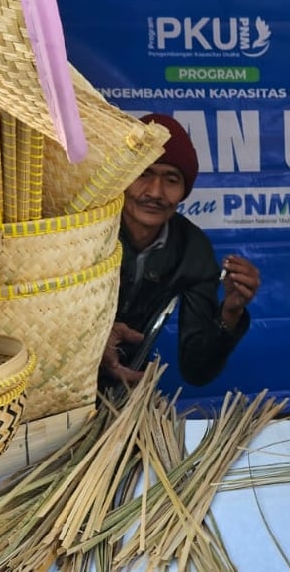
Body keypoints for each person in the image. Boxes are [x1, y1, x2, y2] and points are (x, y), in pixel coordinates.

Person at [100, 113, 261, 387]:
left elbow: (196, 370)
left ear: (184, 190)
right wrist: (95, 341)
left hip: (124, 390)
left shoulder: (193, 250)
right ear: (122, 178)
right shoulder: (87, 231)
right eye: (143, 174)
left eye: (171, 179)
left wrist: (229, 314)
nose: (155, 192)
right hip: (55, 382)